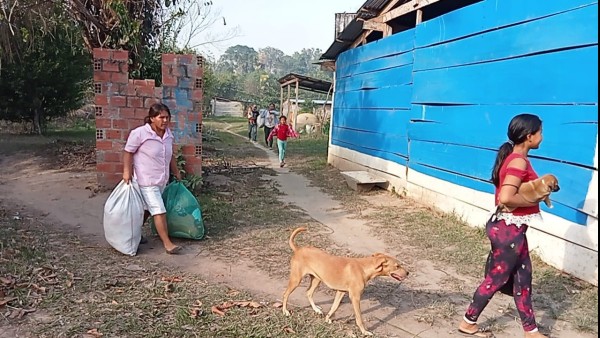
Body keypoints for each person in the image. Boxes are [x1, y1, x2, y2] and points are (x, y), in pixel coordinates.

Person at [458, 114, 547, 338]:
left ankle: (531, 331)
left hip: (513, 229)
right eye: (540, 132)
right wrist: (532, 200)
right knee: (496, 278)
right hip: (508, 231)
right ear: (529, 136)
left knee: (523, 278)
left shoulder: (515, 158)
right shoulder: (518, 161)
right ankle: (468, 321)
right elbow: (506, 198)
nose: (542, 137)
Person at [123, 103, 183, 255]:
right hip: (146, 180)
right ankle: (168, 244)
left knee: (147, 210)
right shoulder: (140, 133)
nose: (164, 121)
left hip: (161, 179)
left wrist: (176, 171)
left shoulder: (168, 134)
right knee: (158, 210)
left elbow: (170, 155)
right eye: (161, 117)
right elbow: (128, 152)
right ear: (151, 118)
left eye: (167, 117)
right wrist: (127, 171)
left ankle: (132, 235)